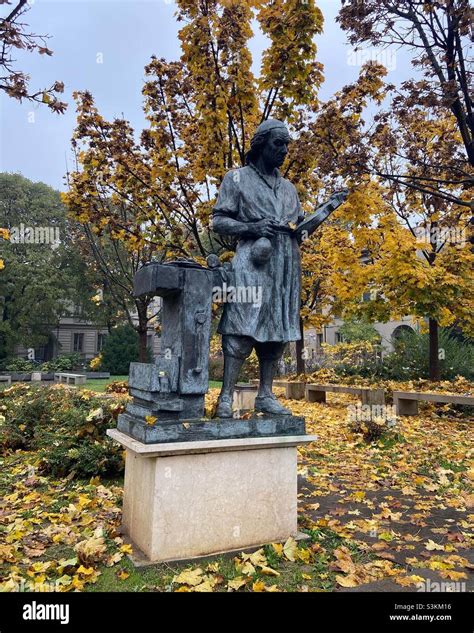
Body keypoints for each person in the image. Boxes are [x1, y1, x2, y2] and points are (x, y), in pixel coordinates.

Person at [212, 118, 347, 417]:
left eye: (287, 144)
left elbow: (299, 228)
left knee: (277, 328)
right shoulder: (236, 179)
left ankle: (266, 394)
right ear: (261, 144)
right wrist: (253, 226)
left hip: (286, 262)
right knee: (242, 323)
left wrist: (321, 214)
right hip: (252, 260)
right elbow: (218, 221)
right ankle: (225, 397)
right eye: (279, 144)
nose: (285, 150)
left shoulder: (289, 189)